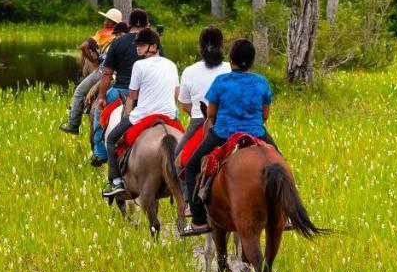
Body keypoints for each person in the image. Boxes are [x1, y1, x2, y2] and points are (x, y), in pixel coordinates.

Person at [181, 38, 278, 236]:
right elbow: (265, 115)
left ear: (231, 60)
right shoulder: (261, 82)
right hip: (256, 131)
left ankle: (198, 220)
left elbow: (210, 114)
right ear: (251, 61)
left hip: (223, 132)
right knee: (280, 163)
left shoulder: (221, 82)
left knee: (190, 167)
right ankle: (286, 213)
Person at [102, 28, 179, 197]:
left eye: (142, 45)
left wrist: (126, 116)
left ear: (153, 46)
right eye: (138, 45)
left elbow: (132, 96)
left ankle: (116, 182)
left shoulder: (139, 65)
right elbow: (176, 94)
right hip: (169, 115)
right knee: (187, 145)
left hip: (143, 115)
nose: (138, 48)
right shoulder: (171, 65)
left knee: (111, 139)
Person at [175, 26, 231, 200]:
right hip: (230, 122)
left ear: (200, 45)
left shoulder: (189, 71)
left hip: (199, 122)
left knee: (178, 159)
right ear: (221, 45)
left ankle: (187, 200)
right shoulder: (230, 68)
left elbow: (185, 105)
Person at [90, 10, 152, 164]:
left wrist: (102, 98)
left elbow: (107, 74)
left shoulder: (117, 42)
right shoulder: (154, 43)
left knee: (98, 114)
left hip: (120, 91)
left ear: (129, 25)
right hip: (146, 94)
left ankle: (100, 153)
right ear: (147, 25)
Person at [60, 8, 123, 135]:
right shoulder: (122, 35)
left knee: (78, 92)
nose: (104, 22)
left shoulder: (103, 34)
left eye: (106, 20)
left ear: (112, 22)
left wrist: (93, 61)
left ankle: (73, 124)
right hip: (120, 73)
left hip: (103, 71)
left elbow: (83, 46)